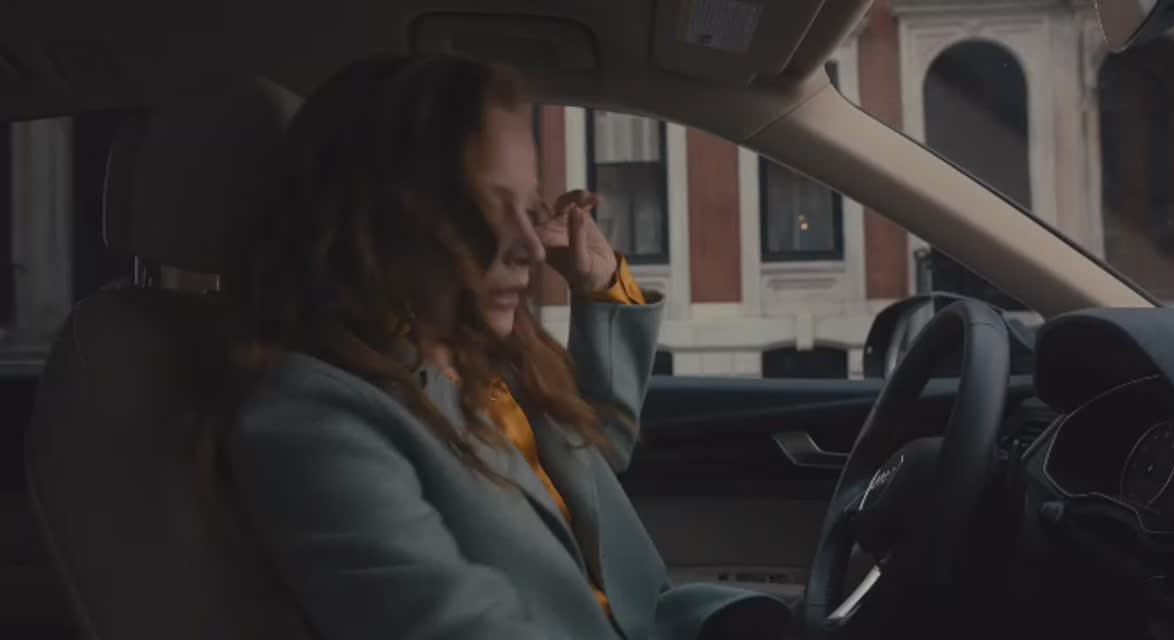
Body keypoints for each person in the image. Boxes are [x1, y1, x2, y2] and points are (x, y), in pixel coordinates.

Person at [223, 54, 791, 640]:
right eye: (491, 208)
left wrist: (600, 287)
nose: (532, 246)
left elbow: (597, 452)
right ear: (375, 218)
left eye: (530, 207)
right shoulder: (314, 421)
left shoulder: (480, 350)